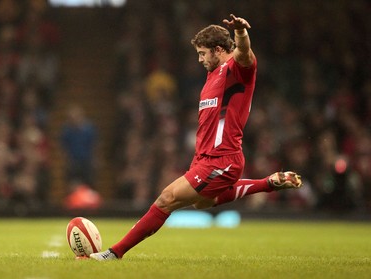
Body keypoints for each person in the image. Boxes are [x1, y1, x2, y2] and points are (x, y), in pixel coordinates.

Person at [90, 14, 303, 261]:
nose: (200, 59)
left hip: (221, 159)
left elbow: (245, 55)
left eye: (203, 53)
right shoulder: (212, 76)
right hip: (204, 159)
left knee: (166, 198)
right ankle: (267, 183)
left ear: (219, 50)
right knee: (203, 203)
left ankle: (114, 253)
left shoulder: (236, 70)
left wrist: (241, 34)